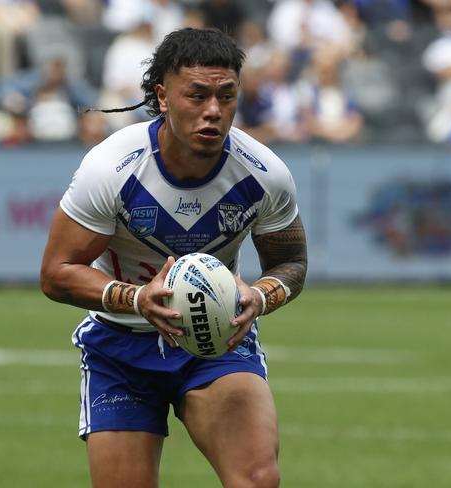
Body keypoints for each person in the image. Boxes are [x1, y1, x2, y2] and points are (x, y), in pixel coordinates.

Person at [40, 27, 307, 488]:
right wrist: (137, 298)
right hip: (120, 347)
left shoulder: (265, 174)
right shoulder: (111, 168)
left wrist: (259, 297)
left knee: (258, 478)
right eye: (197, 95)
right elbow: (56, 274)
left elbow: (292, 264)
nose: (213, 111)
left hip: (216, 344)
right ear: (162, 97)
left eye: (227, 96)